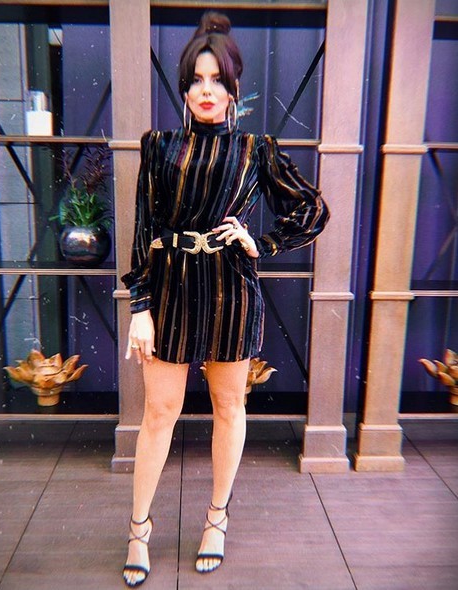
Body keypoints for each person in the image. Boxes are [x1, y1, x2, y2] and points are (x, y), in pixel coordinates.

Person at [121, 11, 329, 587]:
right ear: (184, 88)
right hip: (169, 291)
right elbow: (143, 229)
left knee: (228, 406)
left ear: (234, 87)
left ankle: (216, 520)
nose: (206, 90)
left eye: (217, 80)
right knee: (158, 412)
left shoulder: (256, 149)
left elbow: (312, 209)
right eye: (196, 80)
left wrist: (263, 243)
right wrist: (139, 307)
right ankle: (138, 529)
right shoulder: (159, 146)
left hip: (230, 290)